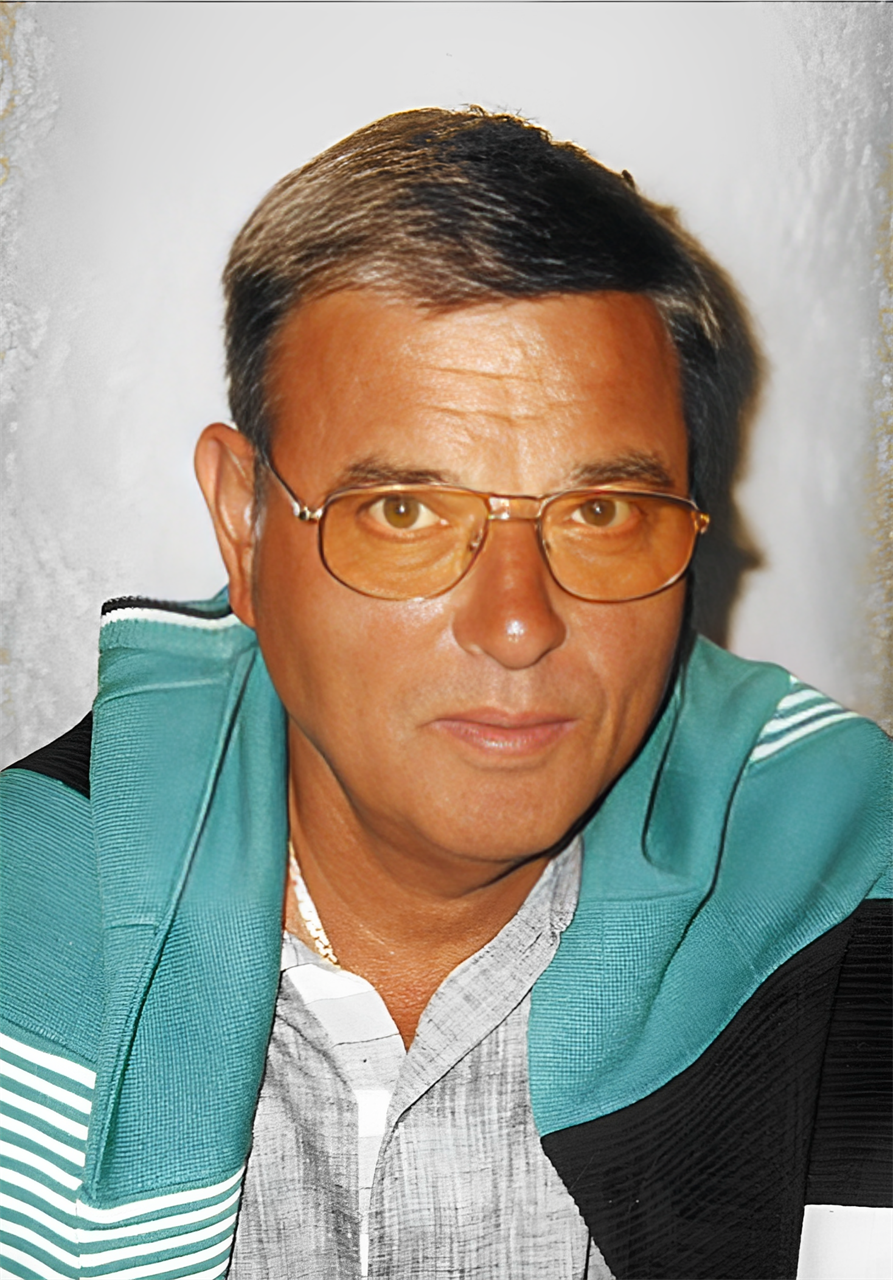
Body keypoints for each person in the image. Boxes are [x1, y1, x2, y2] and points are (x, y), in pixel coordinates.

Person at [1, 108, 889, 1280]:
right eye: (405, 510)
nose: (517, 622)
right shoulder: (25, 930)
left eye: (601, 511)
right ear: (243, 523)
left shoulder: (851, 891)